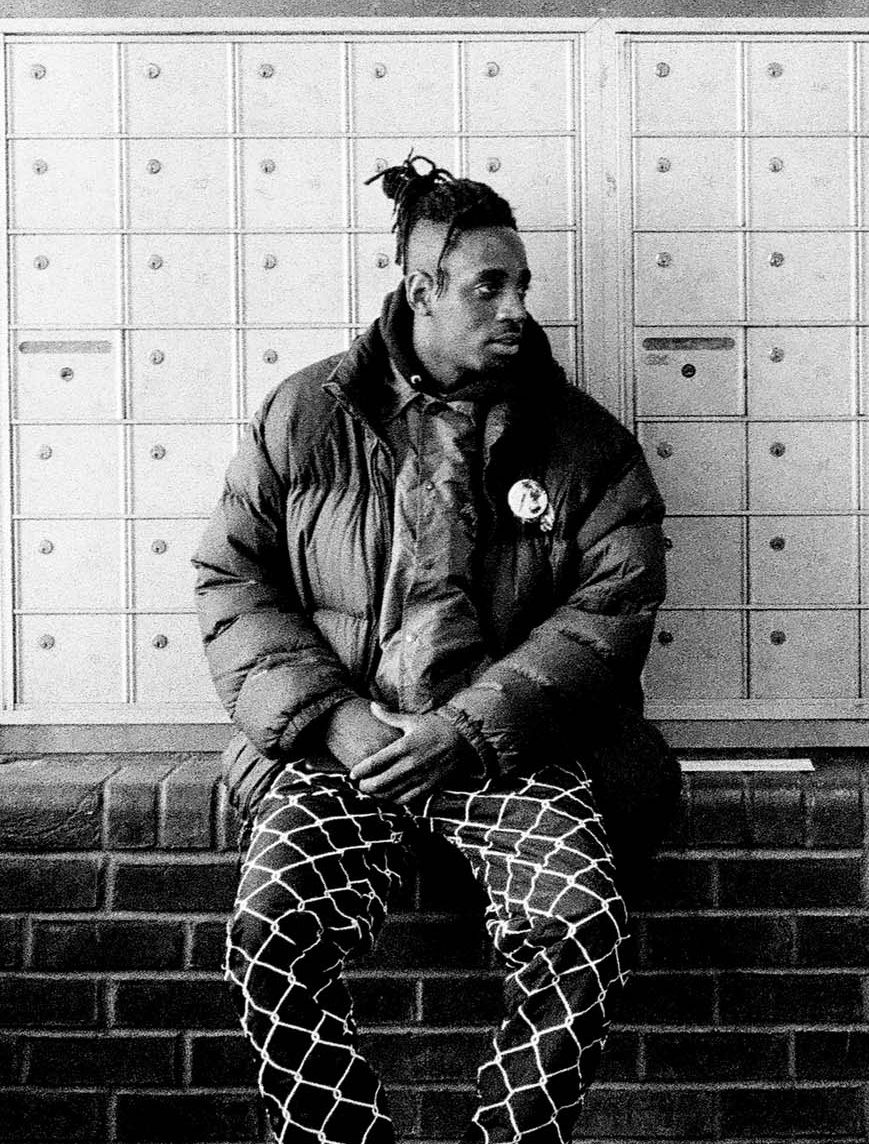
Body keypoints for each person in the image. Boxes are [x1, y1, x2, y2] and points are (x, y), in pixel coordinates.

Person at [196, 156, 677, 1144]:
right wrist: (332, 718)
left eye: (521, 286)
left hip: (510, 754)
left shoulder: (585, 445)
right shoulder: (306, 415)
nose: (514, 308)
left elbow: (609, 617)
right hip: (346, 753)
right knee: (269, 938)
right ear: (421, 290)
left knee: (584, 928)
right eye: (487, 286)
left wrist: (467, 729)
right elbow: (232, 581)